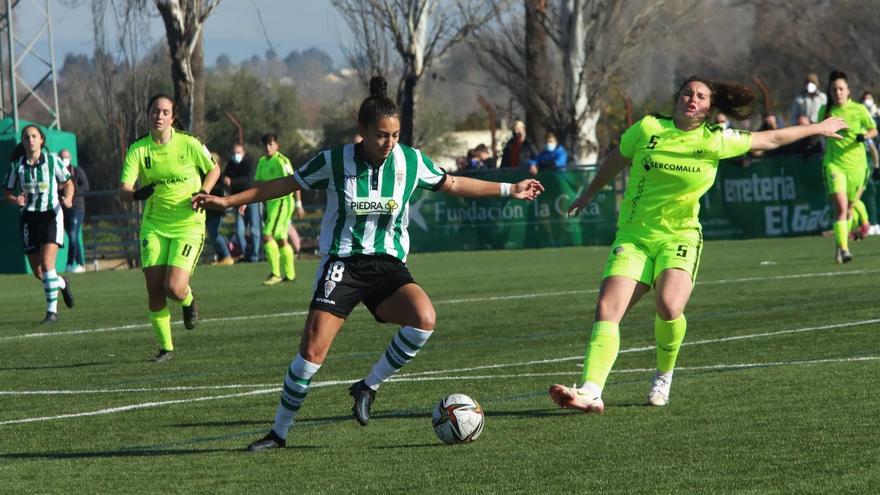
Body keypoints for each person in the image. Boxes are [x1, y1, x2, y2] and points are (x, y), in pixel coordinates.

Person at [193, 76, 544, 451]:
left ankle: (367, 386)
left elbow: (454, 183)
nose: (389, 143)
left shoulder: (410, 160)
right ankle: (278, 433)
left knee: (424, 319)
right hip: (342, 263)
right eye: (381, 135)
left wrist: (511, 188)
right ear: (361, 131)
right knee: (312, 353)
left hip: (387, 266)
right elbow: (285, 184)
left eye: (394, 135)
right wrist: (228, 202)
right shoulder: (333, 161)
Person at [548, 76, 847, 414]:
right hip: (634, 236)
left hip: (681, 236)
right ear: (677, 98)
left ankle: (663, 374)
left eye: (701, 97)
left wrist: (817, 128)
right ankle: (591, 391)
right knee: (607, 310)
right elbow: (618, 157)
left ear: (709, 108)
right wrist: (590, 192)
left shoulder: (716, 140)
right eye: (688, 93)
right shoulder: (647, 128)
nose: (693, 99)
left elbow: (773, 137)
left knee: (669, 307)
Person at [119, 93, 220, 363]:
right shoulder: (139, 149)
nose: (159, 116)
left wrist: (204, 191)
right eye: (155, 111)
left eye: (165, 112)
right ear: (148, 114)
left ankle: (188, 301)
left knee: (173, 288)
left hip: (188, 224)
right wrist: (136, 195)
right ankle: (166, 348)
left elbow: (214, 170)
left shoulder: (189, 144)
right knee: (154, 289)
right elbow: (125, 190)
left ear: (173, 117)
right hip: (154, 225)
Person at [3, 125, 76, 323]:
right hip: (28, 219)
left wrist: (68, 199)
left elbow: (68, 183)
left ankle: (52, 313)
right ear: (23, 141)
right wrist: (15, 199)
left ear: (41, 140)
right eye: (27, 137)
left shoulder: (52, 160)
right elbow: (7, 191)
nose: (31, 140)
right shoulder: (17, 166)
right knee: (39, 273)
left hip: (51, 216)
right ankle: (61, 283)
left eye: (34, 136)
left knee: (47, 263)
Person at [817, 71, 877, 262]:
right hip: (834, 165)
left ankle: (840, 246)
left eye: (841, 88)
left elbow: (873, 128)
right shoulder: (825, 111)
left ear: (848, 90)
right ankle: (844, 249)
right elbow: (818, 131)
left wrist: (865, 136)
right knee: (842, 206)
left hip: (858, 167)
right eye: (834, 89)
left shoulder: (859, 110)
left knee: (849, 208)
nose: (838, 92)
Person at [255, 133, 299, 285]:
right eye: (265, 145)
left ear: (277, 146)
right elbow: (258, 184)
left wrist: (298, 204)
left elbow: (295, 181)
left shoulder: (282, 161)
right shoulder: (261, 162)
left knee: (267, 235)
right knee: (281, 239)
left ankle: (275, 274)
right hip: (271, 204)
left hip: (282, 202)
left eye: (271, 144)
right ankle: (291, 274)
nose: (268, 147)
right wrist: (245, 202)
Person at [223, 143, 261, 262]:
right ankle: (246, 253)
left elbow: (247, 181)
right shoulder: (230, 165)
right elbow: (224, 176)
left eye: (238, 152)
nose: (236, 155)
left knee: (255, 228)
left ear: (244, 153)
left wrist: (231, 182)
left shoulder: (248, 164)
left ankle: (255, 255)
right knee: (239, 231)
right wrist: (224, 178)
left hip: (252, 199)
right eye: (234, 153)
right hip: (238, 201)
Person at [59, 148, 89, 273]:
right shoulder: (57, 172)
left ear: (70, 158)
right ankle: (81, 264)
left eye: (66, 157)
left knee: (72, 235)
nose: (63, 160)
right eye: (61, 157)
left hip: (76, 207)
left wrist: (72, 192)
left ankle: (70, 263)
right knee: (73, 237)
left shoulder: (77, 171)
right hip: (63, 209)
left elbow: (86, 186)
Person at [206, 152, 234, 265]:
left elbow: (219, 191)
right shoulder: (205, 174)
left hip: (216, 210)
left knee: (214, 234)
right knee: (212, 234)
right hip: (208, 209)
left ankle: (227, 256)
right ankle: (223, 254)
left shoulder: (219, 176)